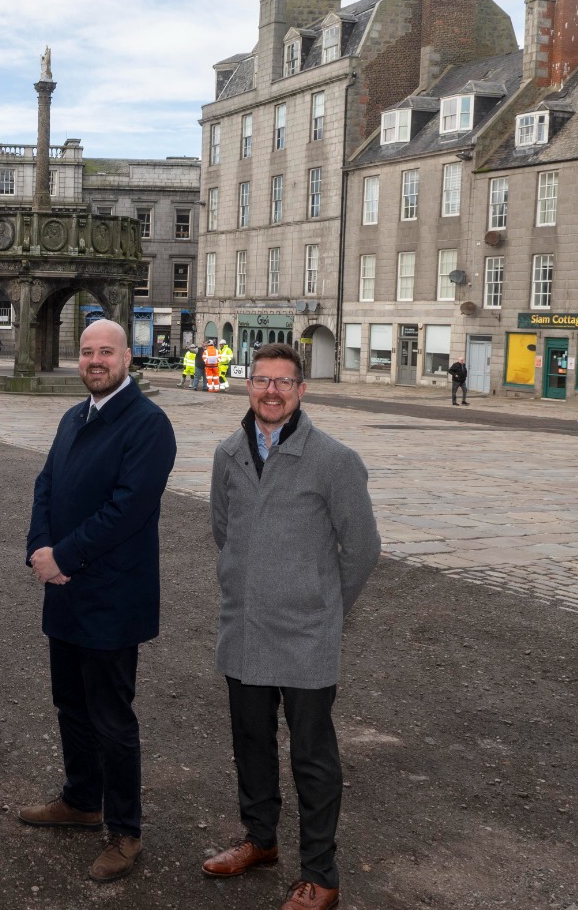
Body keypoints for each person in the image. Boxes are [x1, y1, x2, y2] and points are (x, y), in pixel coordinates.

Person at [202, 342, 380, 910]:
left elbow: (363, 550)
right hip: (245, 630)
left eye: (283, 382)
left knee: (312, 757)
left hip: (307, 635)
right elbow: (223, 532)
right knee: (250, 744)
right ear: (247, 386)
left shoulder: (333, 459)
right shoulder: (228, 453)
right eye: (261, 380)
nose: (271, 391)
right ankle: (259, 840)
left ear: (302, 390)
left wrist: (327, 607)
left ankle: (320, 875)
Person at [21, 319, 177, 883]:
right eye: (87, 352)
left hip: (111, 594)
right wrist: (40, 547)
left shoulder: (147, 424)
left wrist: (63, 556)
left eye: (105, 352)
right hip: (64, 590)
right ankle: (82, 800)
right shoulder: (73, 415)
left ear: (127, 356)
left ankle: (126, 831)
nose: (94, 360)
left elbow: (127, 510)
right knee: (69, 704)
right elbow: (46, 485)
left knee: (112, 717)